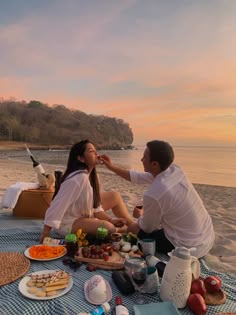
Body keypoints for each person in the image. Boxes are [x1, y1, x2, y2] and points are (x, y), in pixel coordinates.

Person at [100, 140, 215, 258]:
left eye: (144, 157)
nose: (141, 160)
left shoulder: (155, 193)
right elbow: (137, 177)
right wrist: (111, 167)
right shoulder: (175, 170)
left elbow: (148, 227)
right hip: (207, 237)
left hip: (187, 248)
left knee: (133, 228)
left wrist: (140, 216)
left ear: (155, 164)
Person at [40, 140, 133, 243]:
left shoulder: (92, 176)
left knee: (115, 196)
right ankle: (123, 230)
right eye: (91, 151)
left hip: (83, 214)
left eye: (95, 150)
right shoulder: (78, 179)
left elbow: (96, 207)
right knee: (109, 229)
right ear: (81, 158)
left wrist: (110, 220)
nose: (96, 153)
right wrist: (46, 232)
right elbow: (57, 205)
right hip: (69, 222)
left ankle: (132, 225)